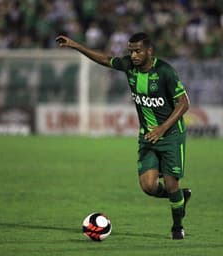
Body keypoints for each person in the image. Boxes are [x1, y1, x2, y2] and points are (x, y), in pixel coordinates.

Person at [56, 32, 191, 240]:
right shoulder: (129, 66)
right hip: (147, 136)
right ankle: (179, 197)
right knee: (148, 186)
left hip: (171, 135)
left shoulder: (165, 71)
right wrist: (75, 45)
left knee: (172, 183)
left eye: (138, 51)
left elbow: (184, 104)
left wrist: (162, 128)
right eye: (131, 51)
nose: (134, 55)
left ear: (149, 51)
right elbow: (104, 59)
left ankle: (177, 227)